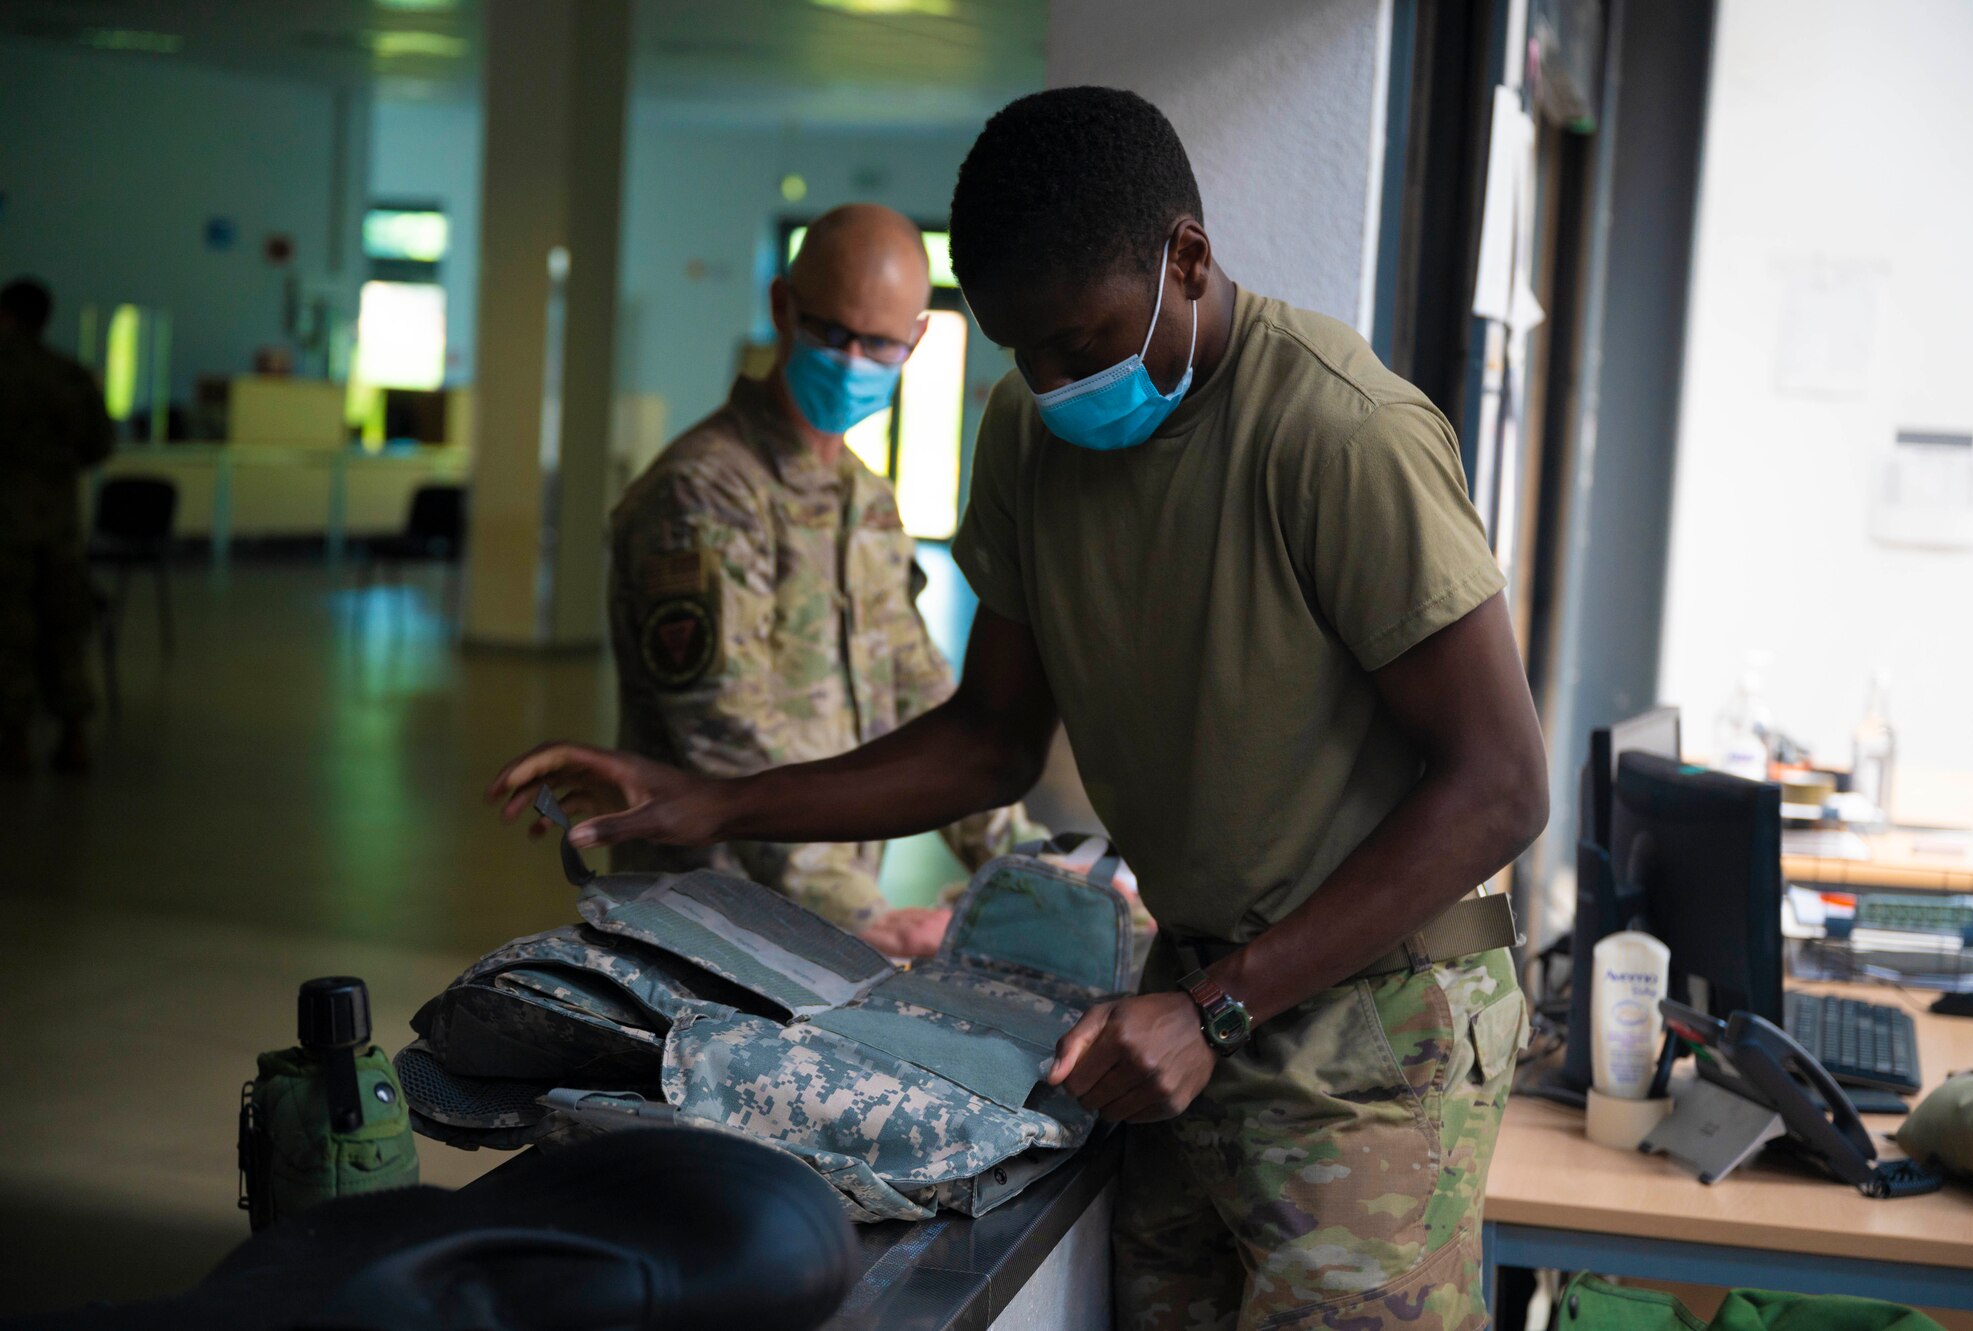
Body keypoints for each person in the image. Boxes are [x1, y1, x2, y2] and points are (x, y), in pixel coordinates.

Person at [492, 88, 1548, 1330]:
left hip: (1372, 1023)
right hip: (1189, 1002)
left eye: (1079, 340)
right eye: (1016, 349)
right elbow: (986, 738)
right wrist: (711, 794)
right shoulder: (1035, 437)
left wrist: (1220, 1005)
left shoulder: (1336, 434)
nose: (1051, 380)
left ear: (1187, 259)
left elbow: (1497, 785)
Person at [596, 203, 1037, 959]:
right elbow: (724, 738)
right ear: (782, 310)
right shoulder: (703, 493)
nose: (852, 358)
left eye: (878, 343)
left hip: (813, 932)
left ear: (916, 341)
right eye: (832, 333)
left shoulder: (864, 498)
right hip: (707, 925)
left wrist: (1035, 865)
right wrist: (862, 913)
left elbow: (920, 692)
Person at [0, 277, 114, 775]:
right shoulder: (69, 375)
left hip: (6, 527)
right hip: (61, 526)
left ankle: (16, 739)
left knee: (10, 630)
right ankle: (73, 737)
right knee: (66, 628)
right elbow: (99, 446)